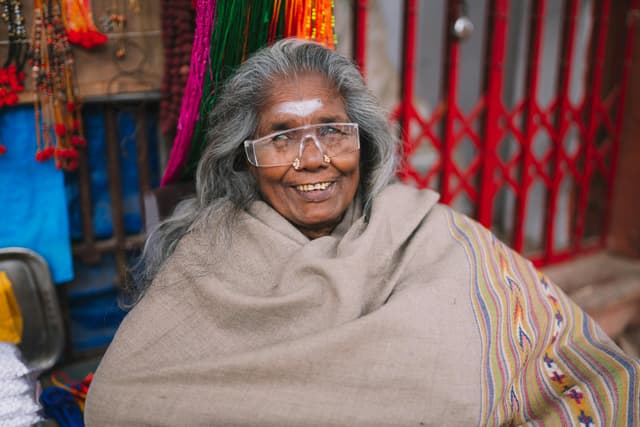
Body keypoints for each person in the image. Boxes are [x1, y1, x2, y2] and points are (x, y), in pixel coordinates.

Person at [85, 39, 639, 426]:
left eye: (332, 130)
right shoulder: (210, 256)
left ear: (364, 143)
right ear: (246, 158)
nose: (313, 160)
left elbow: (564, 361)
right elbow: (121, 400)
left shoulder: (432, 232)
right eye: (282, 138)